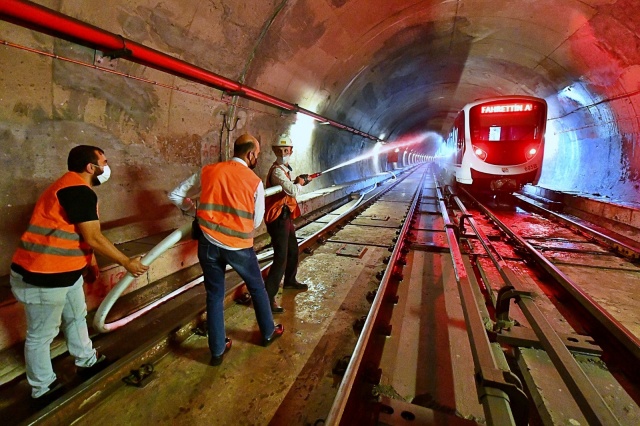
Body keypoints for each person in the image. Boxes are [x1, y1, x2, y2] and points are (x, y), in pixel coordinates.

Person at [10, 145, 149, 400]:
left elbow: (79, 233)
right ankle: (43, 388)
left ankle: (86, 362)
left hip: (66, 271)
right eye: (104, 163)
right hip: (42, 275)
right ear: (91, 167)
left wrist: (90, 262)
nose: (107, 168)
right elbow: (93, 236)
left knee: (76, 316)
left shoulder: (73, 187)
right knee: (42, 334)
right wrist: (127, 262)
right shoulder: (77, 191)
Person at [168, 133, 284, 366]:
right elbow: (257, 220)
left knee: (214, 295)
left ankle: (217, 350)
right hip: (239, 246)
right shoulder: (254, 182)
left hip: (208, 243)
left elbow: (175, 195)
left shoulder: (209, 170)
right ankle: (268, 332)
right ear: (251, 154)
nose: (256, 159)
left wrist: (195, 212)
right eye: (257, 155)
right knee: (257, 288)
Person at [263, 135, 315, 313]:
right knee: (281, 257)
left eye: (286, 150)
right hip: (278, 219)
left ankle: (290, 280)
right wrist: (299, 183)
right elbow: (292, 190)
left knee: (293, 249)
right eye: (279, 150)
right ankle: (268, 298)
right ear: (274, 151)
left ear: (291, 151)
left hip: (285, 217)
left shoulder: (284, 169)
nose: (283, 153)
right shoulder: (277, 171)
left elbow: (290, 187)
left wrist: (298, 181)